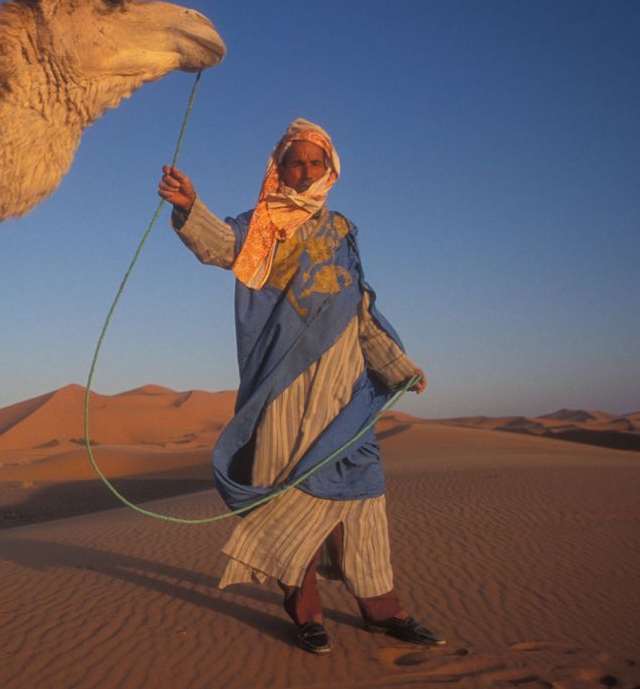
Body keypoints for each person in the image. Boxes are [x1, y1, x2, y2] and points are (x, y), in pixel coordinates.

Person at [159, 118, 444, 655]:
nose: (307, 170)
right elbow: (221, 246)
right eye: (297, 161)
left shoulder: (342, 230)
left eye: (316, 162)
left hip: (347, 389)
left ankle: (383, 610)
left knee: (362, 498)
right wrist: (188, 208)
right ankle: (305, 611)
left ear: (329, 169)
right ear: (280, 168)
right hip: (285, 388)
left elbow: (358, 310)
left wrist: (399, 366)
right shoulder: (262, 224)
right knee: (292, 500)